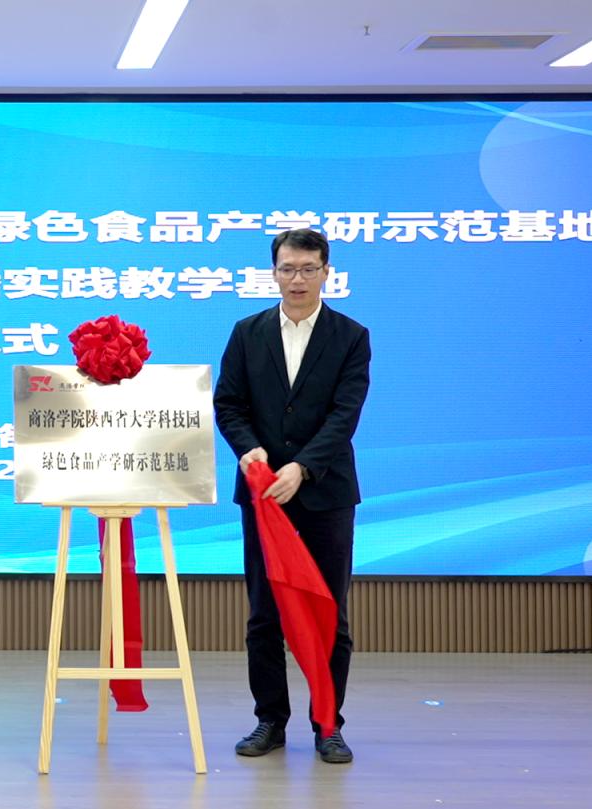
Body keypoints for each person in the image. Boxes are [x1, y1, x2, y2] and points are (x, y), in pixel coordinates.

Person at [213, 228, 370, 764]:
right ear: (274, 272)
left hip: (326, 493)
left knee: (330, 613)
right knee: (264, 614)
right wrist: (249, 449)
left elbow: (344, 414)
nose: (297, 279)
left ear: (327, 272)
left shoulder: (351, 336)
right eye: (287, 269)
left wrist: (302, 467)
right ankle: (269, 721)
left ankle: (328, 724)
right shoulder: (247, 332)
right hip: (264, 496)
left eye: (308, 269)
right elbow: (228, 404)